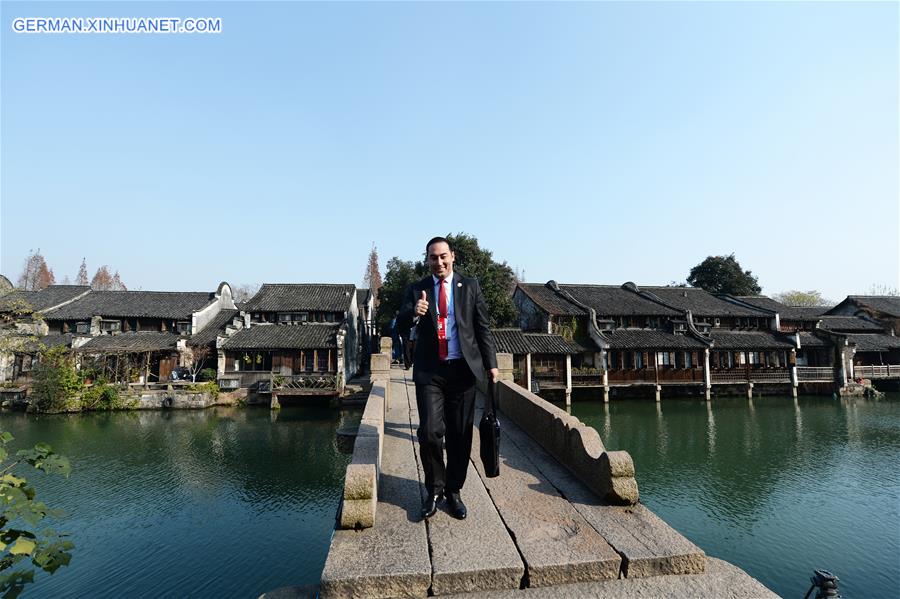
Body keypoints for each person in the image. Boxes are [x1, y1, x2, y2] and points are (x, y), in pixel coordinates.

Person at [399, 236, 498, 520]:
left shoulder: (470, 286)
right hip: (431, 371)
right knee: (430, 432)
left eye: (443, 256)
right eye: (433, 257)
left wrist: (491, 364)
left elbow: (482, 328)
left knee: (460, 435)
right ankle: (434, 489)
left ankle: (454, 491)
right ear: (427, 260)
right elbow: (399, 323)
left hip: (463, 371)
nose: (439, 262)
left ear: (452, 256)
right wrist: (413, 313)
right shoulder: (417, 289)